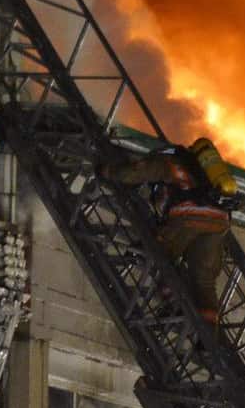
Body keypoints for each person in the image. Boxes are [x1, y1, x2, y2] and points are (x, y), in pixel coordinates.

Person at [101, 138, 237, 326]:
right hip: (219, 223)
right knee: (204, 281)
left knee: (161, 257)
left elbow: (140, 171)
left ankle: (173, 304)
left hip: (189, 217)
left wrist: (110, 171)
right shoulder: (212, 180)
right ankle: (208, 335)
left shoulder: (173, 165)